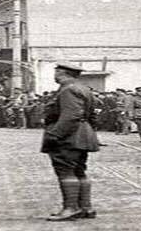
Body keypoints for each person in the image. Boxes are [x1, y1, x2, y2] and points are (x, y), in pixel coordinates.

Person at [41, 63, 100, 222]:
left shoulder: (68, 89)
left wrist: (55, 134)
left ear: (61, 73)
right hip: (81, 134)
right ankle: (85, 207)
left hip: (68, 136)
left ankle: (70, 208)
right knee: (79, 170)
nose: (54, 75)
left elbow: (71, 115)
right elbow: (91, 116)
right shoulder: (83, 88)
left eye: (56, 71)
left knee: (65, 170)